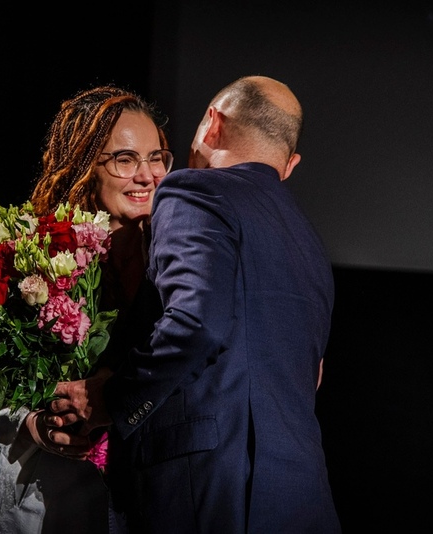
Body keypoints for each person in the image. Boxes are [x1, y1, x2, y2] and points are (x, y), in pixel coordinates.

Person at [49, 75, 342, 533]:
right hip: (301, 497)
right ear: (289, 165)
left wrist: (112, 398)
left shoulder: (193, 191)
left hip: (206, 495)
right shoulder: (307, 240)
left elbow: (197, 323)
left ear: (211, 124)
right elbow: (312, 372)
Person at [0, 85, 172, 534]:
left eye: (158, 157)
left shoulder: (178, 260)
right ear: (86, 168)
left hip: (145, 505)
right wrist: (30, 423)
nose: (147, 175)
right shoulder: (38, 260)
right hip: (50, 504)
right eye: (125, 159)